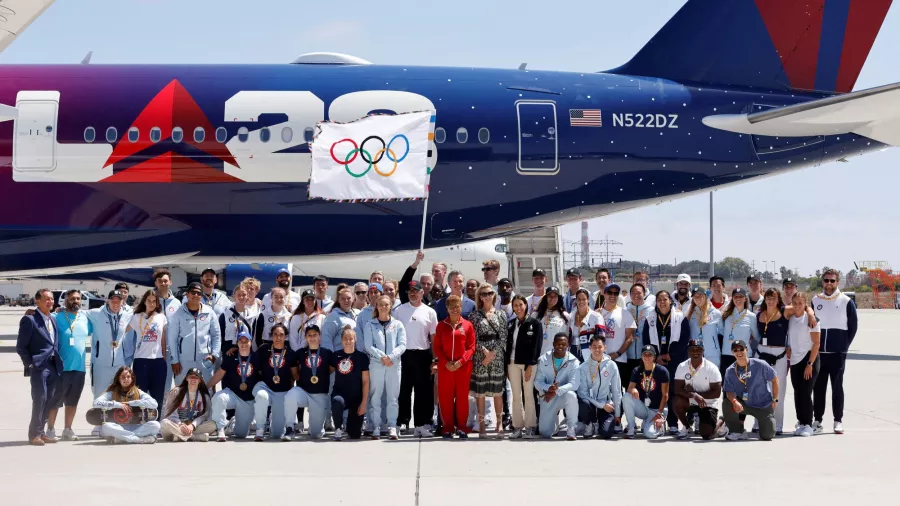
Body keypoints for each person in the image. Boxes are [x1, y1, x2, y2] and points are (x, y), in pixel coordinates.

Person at [812, 268, 857, 435]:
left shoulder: (846, 301)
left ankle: (838, 420)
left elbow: (853, 326)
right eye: (826, 280)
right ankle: (817, 420)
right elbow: (810, 325)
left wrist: (844, 346)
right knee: (819, 388)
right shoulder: (815, 301)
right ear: (822, 282)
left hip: (838, 354)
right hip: (819, 354)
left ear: (837, 282)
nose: (829, 284)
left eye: (832, 281)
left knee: (837, 388)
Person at [17, 289, 63, 445]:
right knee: (39, 399)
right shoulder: (29, 319)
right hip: (39, 366)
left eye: (51, 299)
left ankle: (42, 432)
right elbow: (21, 346)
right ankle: (34, 434)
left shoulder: (53, 319)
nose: (50, 302)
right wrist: (29, 363)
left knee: (49, 400)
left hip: (53, 365)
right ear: (37, 301)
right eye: (46, 299)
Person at [86, 289, 133, 436]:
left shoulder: (127, 315)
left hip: (119, 363)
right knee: (100, 393)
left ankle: (116, 421)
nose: (115, 303)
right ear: (107, 301)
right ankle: (98, 424)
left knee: (118, 393)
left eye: (118, 300)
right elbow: (75, 314)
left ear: (122, 301)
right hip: (101, 362)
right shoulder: (96, 313)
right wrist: (58, 311)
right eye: (112, 300)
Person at [47, 290, 92, 442]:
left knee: (72, 402)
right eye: (72, 298)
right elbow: (41, 317)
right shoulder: (56, 316)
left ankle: (68, 429)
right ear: (66, 300)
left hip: (79, 368)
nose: (76, 301)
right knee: (55, 401)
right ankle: (51, 429)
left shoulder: (85, 318)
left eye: (78, 298)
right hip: (61, 368)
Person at [641, 290, 689, 434]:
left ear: (670, 301)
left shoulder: (680, 317)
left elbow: (684, 339)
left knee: (673, 392)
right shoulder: (650, 318)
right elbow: (646, 340)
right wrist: (656, 357)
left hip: (674, 361)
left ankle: (673, 423)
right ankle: (655, 420)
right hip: (657, 361)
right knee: (656, 391)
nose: (662, 302)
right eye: (659, 299)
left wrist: (671, 355)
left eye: (665, 299)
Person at [395, 280, 438, 436]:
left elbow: (433, 338)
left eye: (416, 291)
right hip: (404, 354)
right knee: (404, 390)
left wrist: (435, 360)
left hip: (423, 354)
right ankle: (403, 422)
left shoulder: (429, 312)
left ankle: (421, 424)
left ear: (422, 293)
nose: (413, 293)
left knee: (423, 391)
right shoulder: (399, 310)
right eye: (410, 291)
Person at [363, 295, 407, 439]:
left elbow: (402, 345)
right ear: (376, 306)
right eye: (380, 304)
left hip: (393, 365)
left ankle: (392, 426)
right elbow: (368, 346)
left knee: (392, 397)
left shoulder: (398, 324)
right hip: (377, 364)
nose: (383, 307)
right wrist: (382, 357)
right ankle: (376, 426)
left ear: (390, 306)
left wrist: (391, 357)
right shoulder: (370, 324)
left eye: (386, 304)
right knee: (375, 396)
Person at [433, 295, 476, 439]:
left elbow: (471, 347)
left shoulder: (467, 325)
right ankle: (448, 427)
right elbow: (437, 347)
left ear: (461, 307)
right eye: (451, 307)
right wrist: (446, 362)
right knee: (445, 398)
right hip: (446, 368)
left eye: (457, 306)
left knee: (462, 398)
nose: (454, 309)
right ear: (447, 309)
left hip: (463, 368)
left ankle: (462, 427)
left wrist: (461, 362)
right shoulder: (441, 325)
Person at [469, 284, 508, 439]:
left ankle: (499, 424)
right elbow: (472, 338)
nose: (487, 296)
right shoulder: (474, 315)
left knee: (498, 391)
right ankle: (482, 424)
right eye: (484, 293)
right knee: (481, 393)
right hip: (481, 357)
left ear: (494, 295)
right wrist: (484, 352)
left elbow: (504, 336)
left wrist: (493, 353)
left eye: (490, 293)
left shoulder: (501, 314)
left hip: (497, 356)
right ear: (480, 296)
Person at [125, 290, 169, 427]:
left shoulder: (161, 317)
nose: (151, 303)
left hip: (158, 361)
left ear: (157, 303)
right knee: (140, 394)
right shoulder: (136, 317)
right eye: (148, 300)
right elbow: (123, 329)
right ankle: (139, 423)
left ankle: (155, 424)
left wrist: (164, 358)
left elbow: (163, 340)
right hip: (141, 360)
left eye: (154, 301)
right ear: (144, 301)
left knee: (157, 395)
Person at [722, 340, 779, 441]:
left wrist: (775, 398)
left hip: (763, 405)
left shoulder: (760, 364)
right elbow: (728, 391)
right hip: (745, 404)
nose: (739, 352)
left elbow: (775, 379)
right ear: (732, 352)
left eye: (741, 349)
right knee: (727, 403)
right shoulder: (730, 370)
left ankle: (765, 424)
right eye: (735, 350)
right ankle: (738, 431)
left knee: (767, 436)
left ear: (747, 349)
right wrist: (735, 401)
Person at [207, 330, 258, 441]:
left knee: (241, 434)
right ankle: (220, 428)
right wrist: (206, 386)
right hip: (232, 394)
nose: (243, 344)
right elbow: (220, 373)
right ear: (237, 343)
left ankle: (232, 424)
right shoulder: (230, 357)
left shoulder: (256, 357)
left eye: (246, 341)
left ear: (250, 342)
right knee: (218, 398)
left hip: (248, 399)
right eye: (241, 341)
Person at [284, 325, 333, 440]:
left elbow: (331, 370)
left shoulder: (327, 353)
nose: (312, 338)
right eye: (309, 335)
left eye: (315, 335)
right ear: (305, 337)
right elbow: (295, 372)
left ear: (319, 336)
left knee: (316, 434)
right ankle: (290, 428)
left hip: (320, 394)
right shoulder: (300, 353)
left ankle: (315, 426)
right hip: (304, 392)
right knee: (291, 394)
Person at [169, 282, 222, 384]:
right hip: (183, 361)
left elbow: (216, 335)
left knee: (206, 392)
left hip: (204, 360)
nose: (196, 295)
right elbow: (172, 339)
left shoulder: (209, 312)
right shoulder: (178, 314)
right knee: (182, 392)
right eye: (193, 292)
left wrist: (214, 355)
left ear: (201, 296)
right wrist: (174, 360)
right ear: (187, 294)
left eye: (198, 293)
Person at [597, 283, 637, 417]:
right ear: (604, 294)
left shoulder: (625, 313)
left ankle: (618, 417)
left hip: (619, 359)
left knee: (618, 390)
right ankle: (604, 418)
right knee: (602, 389)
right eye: (610, 293)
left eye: (615, 293)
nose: (613, 296)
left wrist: (618, 353)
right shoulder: (597, 313)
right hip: (601, 359)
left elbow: (630, 337)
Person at [92, 366, 159, 444]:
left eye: (128, 377)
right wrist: (116, 404)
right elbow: (96, 403)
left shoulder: (138, 392)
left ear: (132, 378)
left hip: (136, 427)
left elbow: (154, 404)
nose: (126, 379)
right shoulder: (112, 392)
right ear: (118, 379)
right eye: (123, 377)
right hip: (118, 427)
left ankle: (123, 438)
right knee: (106, 427)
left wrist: (132, 403)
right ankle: (137, 439)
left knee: (156, 425)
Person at [506, 295, 542, 439]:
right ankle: (517, 426)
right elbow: (507, 346)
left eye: (520, 305)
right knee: (516, 396)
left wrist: (530, 365)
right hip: (512, 363)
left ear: (526, 305)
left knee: (528, 395)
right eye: (515, 305)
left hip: (528, 365)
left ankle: (530, 426)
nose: (518, 308)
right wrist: (506, 366)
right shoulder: (511, 323)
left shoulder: (535, 323)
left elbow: (536, 347)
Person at [253, 323, 296, 440]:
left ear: (286, 336)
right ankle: (260, 428)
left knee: (277, 434)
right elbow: (251, 361)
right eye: (275, 334)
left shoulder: (290, 353)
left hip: (282, 391)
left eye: (281, 335)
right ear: (271, 336)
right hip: (265, 387)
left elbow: (296, 375)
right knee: (261, 396)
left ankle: (273, 418)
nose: (278, 338)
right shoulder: (264, 349)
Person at [786, 292, 820, 437]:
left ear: (805, 304)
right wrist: (788, 347)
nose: (798, 306)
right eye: (795, 303)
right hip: (795, 360)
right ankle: (800, 422)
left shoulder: (811, 319)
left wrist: (810, 364)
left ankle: (808, 424)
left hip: (809, 359)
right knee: (797, 393)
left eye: (801, 303)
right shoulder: (791, 318)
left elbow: (816, 343)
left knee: (806, 393)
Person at [673, 339, 722, 440]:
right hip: (690, 400)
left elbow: (717, 393)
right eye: (692, 349)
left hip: (708, 402)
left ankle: (721, 421)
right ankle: (687, 427)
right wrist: (694, 395)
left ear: (703, 350)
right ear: (688, 351)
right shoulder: (682, 366)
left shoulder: (712, 368)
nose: (695, 352)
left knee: (706, 435)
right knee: (676, 402)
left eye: (698, 349)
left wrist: (697, 395)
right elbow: (677, 389)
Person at [535, 333, 580, 440]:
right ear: (553, 344)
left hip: (562, 395)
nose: (561, 346)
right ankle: (553, 424)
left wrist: (556, 391)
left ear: (568, 345)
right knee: (545, 433)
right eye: (558, 344)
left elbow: (575, 384)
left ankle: (571, 428)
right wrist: (548, 388)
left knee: (571, 395)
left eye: (564, 344)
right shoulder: (543, 359)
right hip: (548, 396)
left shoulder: (574, 361)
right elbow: (537, 382)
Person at [756, 288, 789, 434]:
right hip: (761, 353)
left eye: (773, 298)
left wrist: (812, 315)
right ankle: (758, 422)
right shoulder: (759, 314)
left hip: (779, 355)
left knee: (779, 391)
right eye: (768, 298)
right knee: (759, 389)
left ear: (778, 299)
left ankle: (778, 424)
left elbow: (804, 306)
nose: (770, 301)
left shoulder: (785, 312)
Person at [575, 332, 620, 440]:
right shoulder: (583, 367)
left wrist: (617, 414)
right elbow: (583, 393)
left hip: (606, 405)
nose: (597, 350)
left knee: (606, 434)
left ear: (605, 348)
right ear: (589, 348)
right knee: (582, 402)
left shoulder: (611, 365)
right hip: (591, 405)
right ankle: (589, 424)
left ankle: (600, 424)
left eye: (600, 347)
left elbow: (616, 390)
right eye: (594, 347)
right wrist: (601, 405)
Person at [330, 327, 370, 440]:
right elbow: (327, 371)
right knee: (337, 401)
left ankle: (351, 427)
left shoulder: (362, 357)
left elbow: (366, 381)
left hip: (356, 397)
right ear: (341, 340)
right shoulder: (336, 356)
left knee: (355, 435)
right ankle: (338, 429)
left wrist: (363, 403)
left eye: (351, 339)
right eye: (345, 339)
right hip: (340, 394)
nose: (348, 341)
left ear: (355, 339)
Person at [624, 345, 670, 439]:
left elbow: (665, 395)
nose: (647, 357)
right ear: (641, 356)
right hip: (644, 408)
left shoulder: (662, 371)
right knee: (626, 397)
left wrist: (660, 414)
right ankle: (632, 428)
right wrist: (633, 389)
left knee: (650, 435)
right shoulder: (637, 370)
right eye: (645, 354)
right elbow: (629, 388)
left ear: (654, 357)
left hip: (657, 410)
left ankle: (659, 427)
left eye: (650, 354)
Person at [161, 367, 215, 441]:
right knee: (164, 423)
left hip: (192, 427)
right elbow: (169, 414)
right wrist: (180, 424)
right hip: (177, 425)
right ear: (186, 378)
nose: (193, 379)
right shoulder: (176, 392)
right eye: (191, 377)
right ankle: (194, 437)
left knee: (213, 425)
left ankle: (179, 437)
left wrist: (192, 425)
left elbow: (204, 416)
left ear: (200, 380)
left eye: (196, 377)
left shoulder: (204, 396)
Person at [718, 288, 760, 373]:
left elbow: (757, 336)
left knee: (745, 384)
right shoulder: (726, 315)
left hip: (744, 355)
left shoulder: (751, 316)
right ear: (732, 299)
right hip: (727, 354)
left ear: (745, 299)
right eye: (735, 297)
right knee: (727, 384)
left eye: (740, 296)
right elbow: (721, 332)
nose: (738, 299)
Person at [685, 287, 722, 367]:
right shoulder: (690, 313)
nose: (698, 299)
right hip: (695, 352)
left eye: (700, 296)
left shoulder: (716, 313)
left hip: (712, 353)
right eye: (695, 297)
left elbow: (722, 332)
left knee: (713, 377)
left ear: (705, 296)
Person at [567, 288, 605, 362]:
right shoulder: (571, 316)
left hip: (590, 353)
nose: (581, 301)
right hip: (572, 352)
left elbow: (601, 338)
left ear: (588, 300)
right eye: (579, 299)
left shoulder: (596, 317)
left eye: (584, 299)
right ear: (576, 301)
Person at [219, 284, 257, 356]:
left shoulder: (252, 316)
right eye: (238, 295)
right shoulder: (225, 315)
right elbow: (220, 336)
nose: (241, 297)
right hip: (229, 350)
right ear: (234, 296)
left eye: (244, 295)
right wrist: (225, 349)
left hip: (246, 350)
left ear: (247, 296)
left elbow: (254, 337)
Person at [533, 286, 569, 356]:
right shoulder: (536, 315)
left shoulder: (565, 316)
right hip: (539, 355)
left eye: (555, 296)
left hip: (558, 355)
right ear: (545, 297)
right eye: (550, 296)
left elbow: (567, 337)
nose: (552, 298)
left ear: (559, 298)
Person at [625, 284, 651, 374]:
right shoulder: (625, 310)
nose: (636, 295)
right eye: (633, 293)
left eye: (639, 293)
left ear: (644, 294)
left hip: (645, 355)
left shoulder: (651, 310)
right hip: (627, 355)